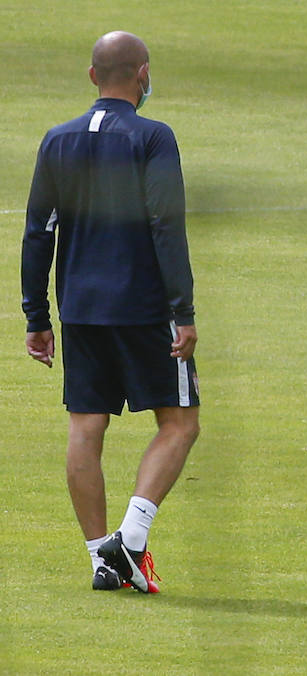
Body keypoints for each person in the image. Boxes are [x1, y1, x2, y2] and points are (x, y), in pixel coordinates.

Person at [21, 30, 200, 594]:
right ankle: (132, 537)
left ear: (93, 75)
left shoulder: (57, 139)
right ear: (142, 74)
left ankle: (102, 559)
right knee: (179, 421)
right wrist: (185, 310)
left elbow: (37, 232)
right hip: (145, 307)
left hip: (80, 309)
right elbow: (165, 224)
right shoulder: (153, 137)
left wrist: (36, 316)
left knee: (86, 426)